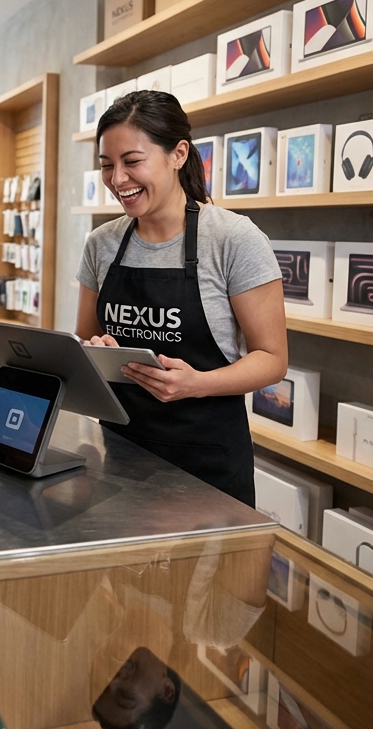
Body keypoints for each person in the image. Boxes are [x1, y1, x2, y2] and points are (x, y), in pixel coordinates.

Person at [75, 91, 287, 505]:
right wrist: (95, 351)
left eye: (132, 162)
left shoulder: (233, 238)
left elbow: (272, 358)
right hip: (121, 453)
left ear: (178, 154)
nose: (117, 179)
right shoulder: (101, 244)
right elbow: (83, 341)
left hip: (207, 464)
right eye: (107, 165)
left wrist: (198, 384)